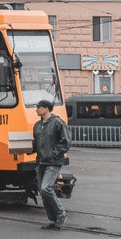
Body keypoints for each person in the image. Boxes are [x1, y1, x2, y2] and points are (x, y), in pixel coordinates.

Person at [31, 98, 70, 230]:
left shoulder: (57, 123)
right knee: (43, 192)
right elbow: (36, 143)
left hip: (53, 162)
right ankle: (53, 220)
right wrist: (23, 148)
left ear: (46, 109)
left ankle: (61, 214)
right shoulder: (37, 125)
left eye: (38, 107)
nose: (36, 109)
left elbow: (65, 142)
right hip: (41, 162)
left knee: (45, 188)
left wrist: (53, 154)